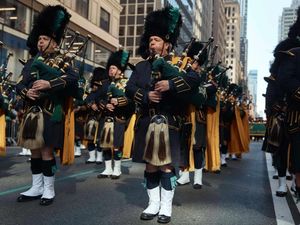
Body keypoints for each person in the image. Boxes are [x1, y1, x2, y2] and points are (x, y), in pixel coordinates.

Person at [125, 6, 201, 223]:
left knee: (166, 165)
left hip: (170, 122)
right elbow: (129, 90)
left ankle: (166, 207)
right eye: (150, 40)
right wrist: (147, 95)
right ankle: (153, 204)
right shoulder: (141, 67)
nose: (151, 43)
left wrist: (171, 83)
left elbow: (194, 81)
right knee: (150, 164)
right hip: (148, 121)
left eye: (156, 39)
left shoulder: (180, 64)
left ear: (167, 43)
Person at [16, 5, 78, 206]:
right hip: (33, 111)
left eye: (44, 39)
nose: (40, 42)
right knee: (34, 150)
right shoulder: (33, 60)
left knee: (46, 152)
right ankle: (36, 186)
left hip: (52, 111)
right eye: (39, 39)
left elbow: (73, 79)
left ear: (54, 41)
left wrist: (49, 83)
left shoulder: (65, 60)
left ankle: (48, 189)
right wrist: (28, 91)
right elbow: (19, 84)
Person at [276, 6, 300, 202]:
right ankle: (286, 181)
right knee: (287, 151)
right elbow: (285, 80)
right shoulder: (294, 54)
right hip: (296, 116)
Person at [97, 49, 132, 179]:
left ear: (119, 70)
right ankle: (107, 169)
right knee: (105, 145)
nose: (111, 70)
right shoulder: (104, 83)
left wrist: (118, 101)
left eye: (113, 68)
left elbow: (130, 100)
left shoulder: (126, 83)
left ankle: (117, 169)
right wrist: (104, 104)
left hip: (119, 117)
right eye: (110, 68)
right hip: (106, 117)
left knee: (117, 145)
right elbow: (98, 98)